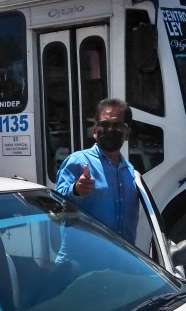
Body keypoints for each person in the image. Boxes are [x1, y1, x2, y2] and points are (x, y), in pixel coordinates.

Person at [55, 98, 139, 248]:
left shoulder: (130, 171)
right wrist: (76, 190)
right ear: (95, 130)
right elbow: (56, 204)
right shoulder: (78, 162)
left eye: (117, 126)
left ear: (127, 133)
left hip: (123, 260)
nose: (109, 131)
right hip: (84, 261)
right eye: (104, 125)